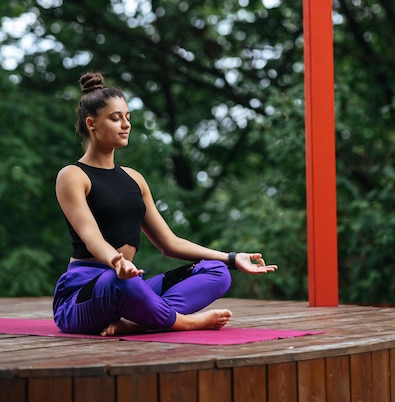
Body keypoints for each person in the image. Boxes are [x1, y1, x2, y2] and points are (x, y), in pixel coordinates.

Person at [53, 71, 277, 336]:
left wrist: (231, 258)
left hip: (130, 283)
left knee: (216, 272)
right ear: (92, 124)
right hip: (83, 295)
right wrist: (116, 261)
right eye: (115, 118)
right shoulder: (72, 175)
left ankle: (140, 322)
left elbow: (168, 243)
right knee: (121, 282)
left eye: (128, 118)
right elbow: (91, 236)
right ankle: (186, 322)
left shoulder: (135, 179)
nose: (125, 125)